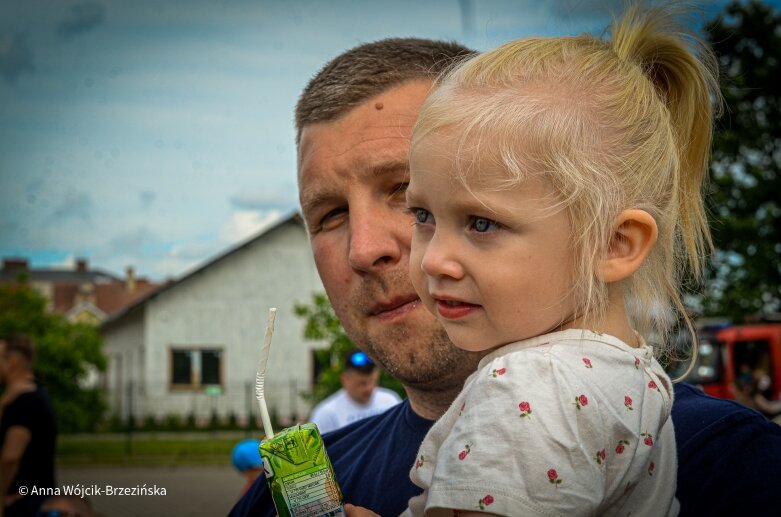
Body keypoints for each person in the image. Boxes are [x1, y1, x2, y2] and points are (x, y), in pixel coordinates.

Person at [230, 34, 781, 517]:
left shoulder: (730, 465)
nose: (365, 249)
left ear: (614, 243)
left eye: (401, 191)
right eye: (329, 215)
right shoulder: (286, 493)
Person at [0, 334, 57, 517]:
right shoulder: (32, 393)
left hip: (24, 502)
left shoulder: (25, 400)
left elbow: (10, 456)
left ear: (12, 362)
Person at [310, 350, 401, 434]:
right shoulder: (327, 414)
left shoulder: (391, 401)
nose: (368, 388)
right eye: (361, 384)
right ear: (345, 380)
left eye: (373, 381)